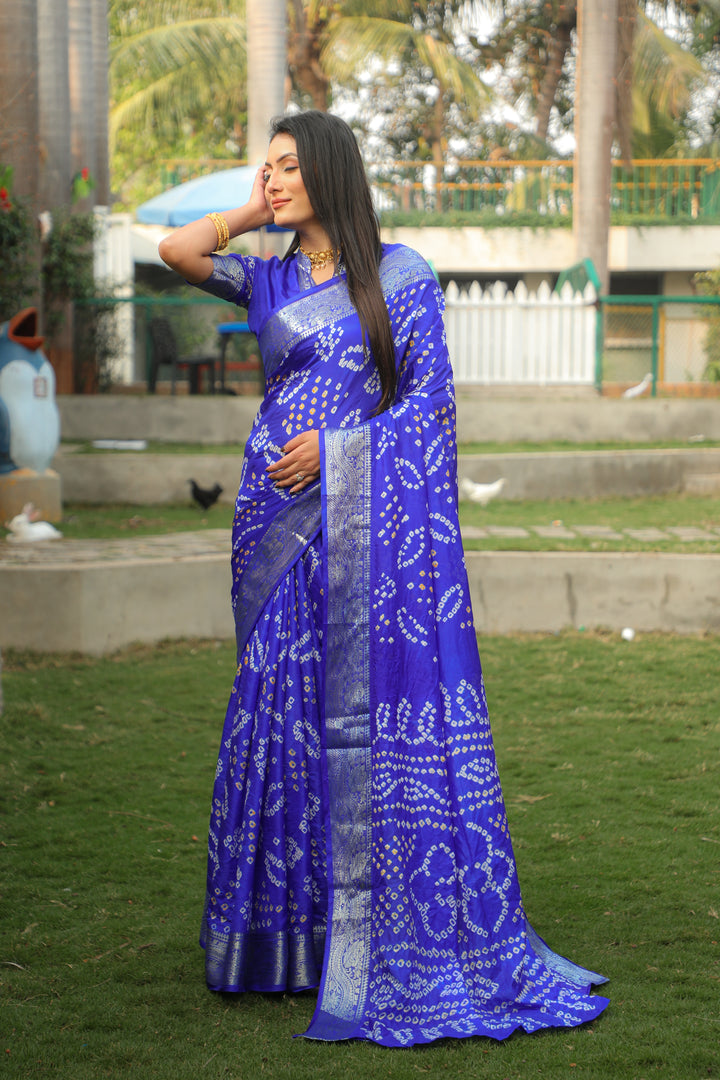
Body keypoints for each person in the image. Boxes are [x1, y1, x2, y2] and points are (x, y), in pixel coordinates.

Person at [159, 110, 609, 1047]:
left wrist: (337, 450)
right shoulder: (268, 273)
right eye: (266, 167)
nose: (273, 179)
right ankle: (279, 941)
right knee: (275, 709)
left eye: (287, 168)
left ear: (329, 171)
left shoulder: (399, 277)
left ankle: (361, 933)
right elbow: (176, 249)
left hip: (358, 520)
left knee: (349, 714)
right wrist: (247, 212)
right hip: (270, 523)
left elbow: (432, 407)